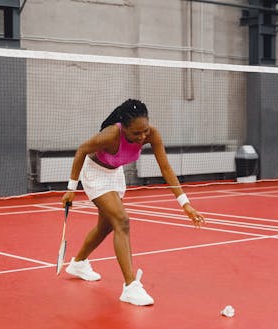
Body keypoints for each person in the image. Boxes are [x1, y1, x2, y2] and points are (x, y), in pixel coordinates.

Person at [61, 99, 205, 306]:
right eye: (136, 134)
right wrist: (71, 189)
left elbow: (165, 168)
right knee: (122, 221)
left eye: (144, 131)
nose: (142, 137)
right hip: (95, 174)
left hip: (115, 174)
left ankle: (78, 263)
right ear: (124, 128)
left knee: (106, 226)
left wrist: (185, 204)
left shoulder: (151, 134)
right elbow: (82, 150)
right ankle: (130, 287)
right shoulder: (110, 134)